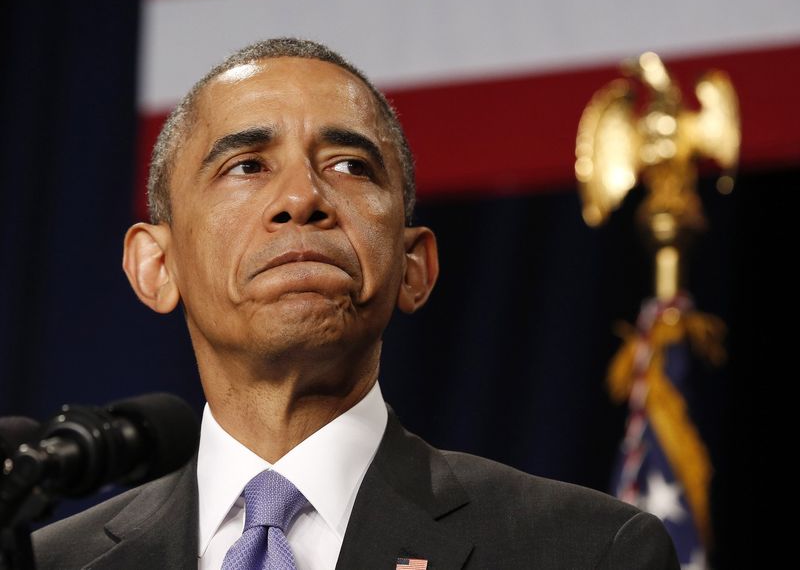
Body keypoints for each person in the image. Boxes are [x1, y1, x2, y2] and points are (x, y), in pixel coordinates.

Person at [33, 38, 678, 569]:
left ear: (414, 267)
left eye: (348, 166)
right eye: (248, 166)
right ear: (155, 266)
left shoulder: (585, 552)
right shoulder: (51, 563)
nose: (301, 198)